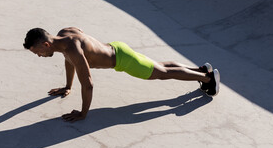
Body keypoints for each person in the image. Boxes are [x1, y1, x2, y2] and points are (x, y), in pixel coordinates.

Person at [23, 27, 220, 122]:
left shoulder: (72, 49)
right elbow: (69, 62)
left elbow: (89, 84)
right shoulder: (65, 35)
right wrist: (68, 86)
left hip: (124, 61)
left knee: (162, 73)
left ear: (45, 44)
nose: (39, 55)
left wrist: (83, 113)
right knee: (160, 66)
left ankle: (208, 79)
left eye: (37, 52)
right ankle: (200, 70)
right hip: (117, 47)